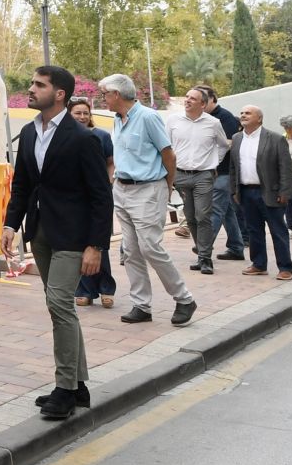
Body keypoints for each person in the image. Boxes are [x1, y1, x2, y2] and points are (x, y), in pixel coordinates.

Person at [2, 65, 112, 421]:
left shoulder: (83, 139)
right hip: (42, 232)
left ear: (59, 93)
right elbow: (22, 185)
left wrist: (96, 245)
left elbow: (100, 197)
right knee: (60, 306)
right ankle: (78, 385)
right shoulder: (29, 133)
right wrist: (10, 224)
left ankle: (64, 388)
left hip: (73, 235)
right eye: (32, 83)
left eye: (39, 85)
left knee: (59, 303)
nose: (30, 89)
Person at [100, 74, 195, 326]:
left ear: (117, 94)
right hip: (123, 189)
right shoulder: (118, 120)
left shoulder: (148, 117)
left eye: (105, 94)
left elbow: (169, 155)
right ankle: (141, 305)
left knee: (150, 247)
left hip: (148, 190)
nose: (103, 99)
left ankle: (184, 298)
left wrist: (166, 186)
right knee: (130, 251)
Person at [165, 88, 229, 274]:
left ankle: (205, 258)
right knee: (190, 217)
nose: (187, 100)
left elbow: (223, 146)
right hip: (180, 174)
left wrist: (214, 163)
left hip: (203, 175)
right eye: (186, 97)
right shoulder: (173, 121)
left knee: (203, 215)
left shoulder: (213, 123)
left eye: (192, 98)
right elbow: (166, 147)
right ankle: (201, 253)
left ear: (203, 104)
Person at [228, 105, 292, 280]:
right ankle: (259, 264)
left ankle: (285, 267)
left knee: (278, 231)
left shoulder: (274, 138)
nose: (243, 115)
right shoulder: (236, 138)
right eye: (241, 113)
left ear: (259, 118)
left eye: (248, 113)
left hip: (270, 193)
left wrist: (285, 191)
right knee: (253, 231)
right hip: (246, 192)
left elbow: (286, 168)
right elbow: (233, 167)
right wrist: (234, 190)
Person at [66, 97, 117, 309]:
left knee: (99, 243)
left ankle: (106, 287)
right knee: (79, 244)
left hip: (98, 198)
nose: (82, 117)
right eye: (78, 113)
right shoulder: (64, 137)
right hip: (75, 200)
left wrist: (106, 184)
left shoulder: (102, 136)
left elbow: (110, 163)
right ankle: (84, 290)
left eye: (86, 113)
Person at [196, 86, 246, 261]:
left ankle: (204, 245)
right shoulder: (202, 118)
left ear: (213, 99)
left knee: (215, 209)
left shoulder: (224, 118)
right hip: (211, 171)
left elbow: (232, 142)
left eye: (204, 99)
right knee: (227, 211)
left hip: (224, 172)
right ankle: (236, 247)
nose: (200, 103)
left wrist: (213, 160)